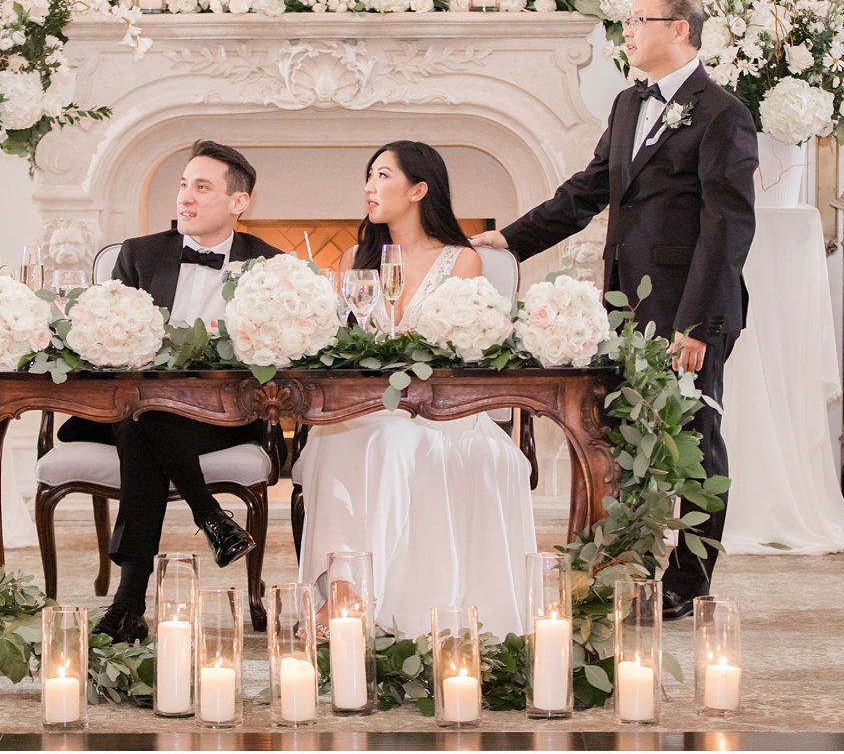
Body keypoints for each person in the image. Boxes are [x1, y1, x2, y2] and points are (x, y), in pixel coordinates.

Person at [471, 0, 757, 619]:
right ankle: (632, 563)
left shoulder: (723, 114)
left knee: (694, 440)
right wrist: (511, 239)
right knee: (626, 438)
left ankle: (689, 579)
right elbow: (589, 190)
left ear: (679, 29)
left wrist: (699, 326)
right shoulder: (630, 104)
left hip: (689, 310)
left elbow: (728, 226)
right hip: (626, 306)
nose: (625, 32)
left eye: (637, 20)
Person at [295, 140, 536, 638]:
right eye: (368, 176)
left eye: (383, 175)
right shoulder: (355, 259)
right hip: (368, 405)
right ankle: (346, 594)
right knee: (332, 435)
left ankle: (378, 601)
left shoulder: (461, 261)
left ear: (419, 189)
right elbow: (348, 342)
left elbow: (459, 352)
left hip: (440, 410)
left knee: (385, 441)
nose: (369, 187)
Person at [61, 140, 281, 644]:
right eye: (183, 185)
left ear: (238, 202)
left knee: (145, 424)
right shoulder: (138, 255)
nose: (185, 197)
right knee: (146, 415)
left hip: (223, 416)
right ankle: (211, 518)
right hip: (137, 408)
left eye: (202, 187)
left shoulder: (270, 266)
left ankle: (129, 600)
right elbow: (103, 343)